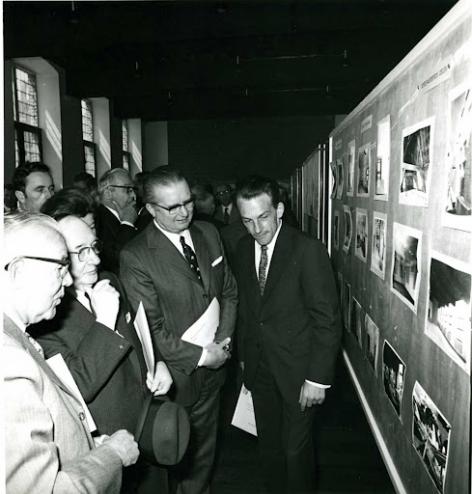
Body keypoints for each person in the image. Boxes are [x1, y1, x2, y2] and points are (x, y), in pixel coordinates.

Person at [28, 215, 172, 493]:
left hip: (146, 424)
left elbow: (137, 334)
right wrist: (104, 321)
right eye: (80, 251)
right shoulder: (45, 316)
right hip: (106, 443)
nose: (94, 259)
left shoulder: (109, 280)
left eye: (94, 247)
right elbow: (77, 386)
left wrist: (159, 363)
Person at [120, 168, 238, 494]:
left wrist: (222, 345)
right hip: (176, 377)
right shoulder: (136, 256)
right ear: (151, 209)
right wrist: (202, 356)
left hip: (215, 369)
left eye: (187, 201)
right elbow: (153, 327)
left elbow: (228, 291)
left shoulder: (209, 234)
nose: (184, 211)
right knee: (175, 462)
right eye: (172, 207)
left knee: (204, 457)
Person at [3, 212, 139, 493]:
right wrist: (111, 455)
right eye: (59, 268)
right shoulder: (10, 363)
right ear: (17, 272)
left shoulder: (16, 336)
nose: (67, 281)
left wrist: (88, 449)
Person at [233, 175, 342, 494]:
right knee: (269, 448)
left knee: (296, 452)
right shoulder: (242, 249)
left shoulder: (307, 249)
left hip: (299, 373)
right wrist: (243, 359)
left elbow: (327, 319)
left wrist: (317, 378)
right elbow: (248, 313)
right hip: (260, 368)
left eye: (263, 217)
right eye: (247, 221)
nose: (257, 229)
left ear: (279, 209)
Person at [96, 168, 138, 273]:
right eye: (127, 190)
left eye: (133, 190)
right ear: (108, 193)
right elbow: (115, 261)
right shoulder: (97, 219)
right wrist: (127, 223)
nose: (134, 196)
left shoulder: (130, 215)